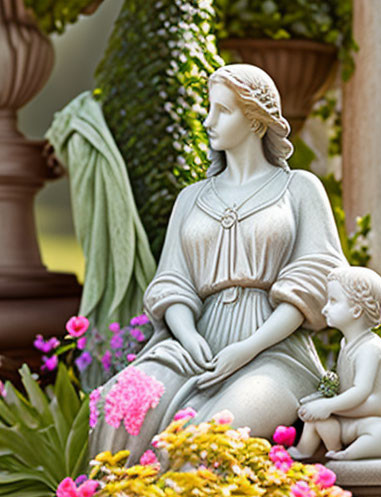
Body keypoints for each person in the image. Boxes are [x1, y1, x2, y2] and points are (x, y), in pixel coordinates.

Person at [89, 64, 347, 461]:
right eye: (209, 109)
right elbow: (172, 281)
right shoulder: (191, 198)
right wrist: (188, 335)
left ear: (257, 121)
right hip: (194, 344)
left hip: (274, 349)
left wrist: (246, 348)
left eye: (222, 111)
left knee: (205, 436)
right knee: (120, 409)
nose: (208, 121)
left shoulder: (299, 189)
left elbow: (314, 281)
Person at [291, 267, 381, 461]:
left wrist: (329, 406)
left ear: (356, 310)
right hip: (356, 419)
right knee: (317, 418)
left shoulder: (370, 349)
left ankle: (349, 454)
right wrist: (322, 405)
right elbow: (345, 392)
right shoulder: (347, 344)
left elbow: (360, 392)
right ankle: (306, 450)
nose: (325, 309)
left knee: (380, 432)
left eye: (333, 301)